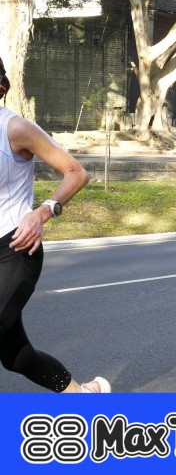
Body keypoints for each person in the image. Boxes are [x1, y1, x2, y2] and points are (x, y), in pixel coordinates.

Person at [0, 57, 110, 393]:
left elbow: (77, 172)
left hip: (16, 247)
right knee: (15, 356)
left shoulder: (15, 129)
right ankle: (85, 396)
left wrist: (43, 212)